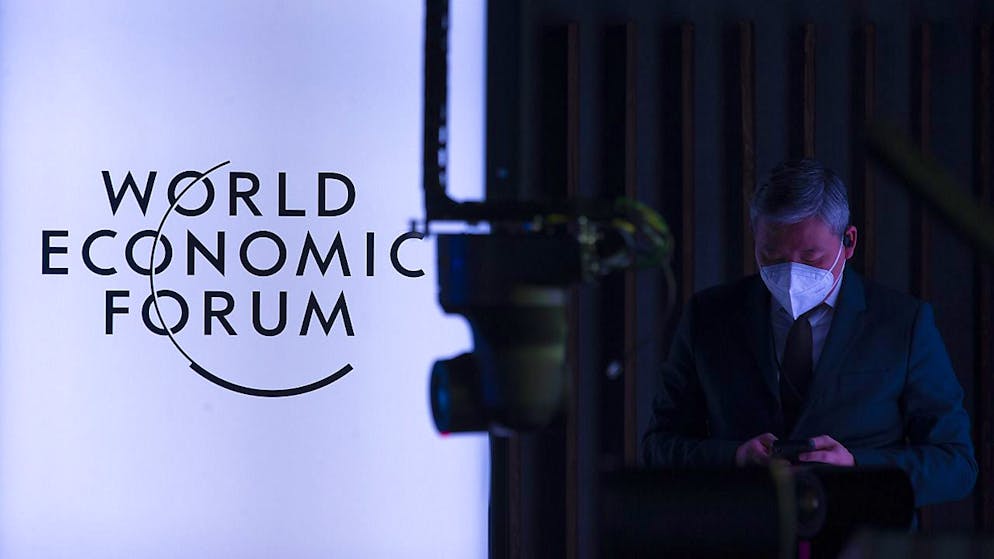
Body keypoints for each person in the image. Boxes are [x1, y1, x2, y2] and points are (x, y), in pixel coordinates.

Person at [641, 158, 977, 508]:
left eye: (812, 258)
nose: (791, 275)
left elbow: (955, 464)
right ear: (755, 239)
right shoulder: (709, 317)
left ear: (849, 242)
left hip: (861, 532)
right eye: (772, 256)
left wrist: (858, 467)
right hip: (743, 529)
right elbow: (658, 446)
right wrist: (734, 457)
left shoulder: (903, 324)